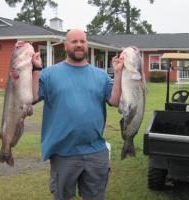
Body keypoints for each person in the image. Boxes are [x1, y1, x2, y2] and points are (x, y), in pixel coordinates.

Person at [31, 28, 124, 200]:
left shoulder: (101, 76)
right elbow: (33, 97)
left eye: (82, 41)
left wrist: (118, 73)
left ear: (86, 45)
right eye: (74, 41)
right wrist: (36, 69)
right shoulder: (50, 74)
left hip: (96, 151)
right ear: (66, 46)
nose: (79, 45)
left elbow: (115, 101)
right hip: (63, 153)